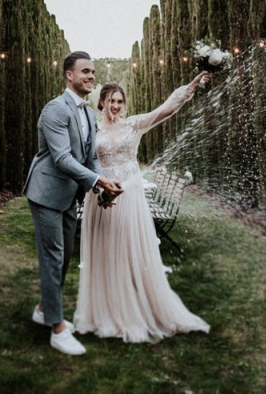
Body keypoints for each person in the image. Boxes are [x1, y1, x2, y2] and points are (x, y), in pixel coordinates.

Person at [74, 71, 211, 343]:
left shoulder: (134, 125)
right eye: (111, 101)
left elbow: (164, 111)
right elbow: (87, 163)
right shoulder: (94, 131)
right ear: (101, 102)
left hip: (130, 195)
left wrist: (189, 89)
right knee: (105, 249)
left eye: (120, 101)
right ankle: (108, 308)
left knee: (128, 247)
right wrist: (97, 188)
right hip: (102, 197)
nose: (115, 106)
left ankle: (135, 306)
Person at [23, 51, 124, 355]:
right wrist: (97, 182)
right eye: (85, 72)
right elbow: (62, 158)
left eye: (93, 72)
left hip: (69, 195)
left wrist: (101, 185)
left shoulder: (87, 114)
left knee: (65, 256)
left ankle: (43, 308)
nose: (91, 76)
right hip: (46, 194)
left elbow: (90, 157)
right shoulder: (55, 109)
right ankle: (56, 328)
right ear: (69, 75)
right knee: (54, 259)